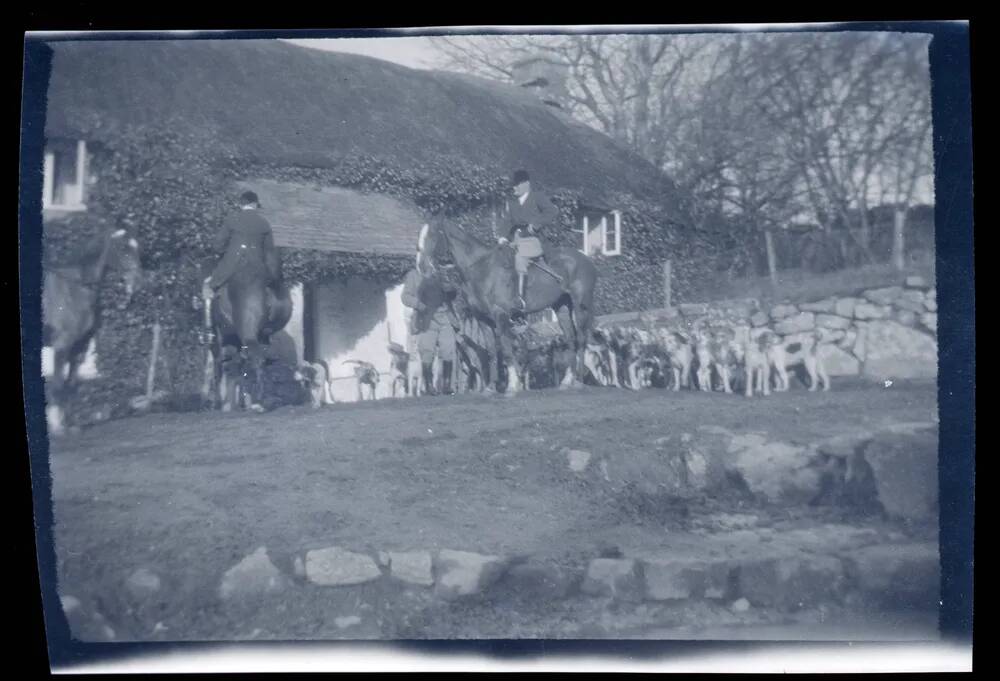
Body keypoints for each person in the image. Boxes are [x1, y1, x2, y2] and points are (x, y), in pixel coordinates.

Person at [401, 226, 461, 396]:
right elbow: (405, 297)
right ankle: (428, 386)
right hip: (425, 320)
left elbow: (453, 294)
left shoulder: (441, 273)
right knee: (426, 352)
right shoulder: (414, 275)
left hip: (444, 318)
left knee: (448, 349)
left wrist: (448, 286)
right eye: (420, 252)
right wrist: (419, 305)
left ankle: (447, 386)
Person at [497, 169, 560, 310]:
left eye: (517, 185)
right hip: (516, 240)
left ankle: (521, 299)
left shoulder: (537, 197)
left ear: (526, 183)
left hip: (534, 239)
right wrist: (501, 236)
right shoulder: (511, 203)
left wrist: (535, 225)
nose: (514, 188)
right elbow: (506, 221)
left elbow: (552, 211)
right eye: (513, 185)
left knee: (520, 258)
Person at [202, 190, 280, 300]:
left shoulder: (232, 219)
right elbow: (269, 250)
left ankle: (207, 306)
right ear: (255, 205)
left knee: (208, 284)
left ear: (240, 205)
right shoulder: (265, 223)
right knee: (271, 287)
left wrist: (223, 250)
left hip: (232, 262)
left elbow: (218, 244)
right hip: (257, 265)